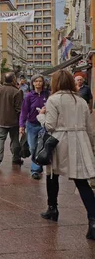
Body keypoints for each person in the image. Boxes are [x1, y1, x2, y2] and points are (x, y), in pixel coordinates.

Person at [37, 70, 95, 240]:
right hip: (80, 140)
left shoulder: (53, 100)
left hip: (60, 140)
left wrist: (41, 116)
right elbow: (88, 127)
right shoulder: (81, 101)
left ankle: (52, 208)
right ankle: (93, 220)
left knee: (52, 174)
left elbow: (49, 125)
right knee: (81, 181)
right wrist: (91, 146)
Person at [19, 74, 49, 180]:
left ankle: (35, 169)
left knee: (41, 146)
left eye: (40, 81)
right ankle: (37, 165)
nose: (38, 83)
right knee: (32, 147)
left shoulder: (47, 95)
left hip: (44, 125)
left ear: (43, 83)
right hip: (31, 125)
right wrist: (21, 125)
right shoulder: (29, 96)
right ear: (32, 83)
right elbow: (24, 111)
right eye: (36, 81)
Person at [0, 72, 24, 168]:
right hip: (13, 120)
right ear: (13, 79)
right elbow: (19, 108)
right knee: (14, 139)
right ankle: (16, 158)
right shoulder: (17, 91)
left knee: (0, 138)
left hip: (0, 119)